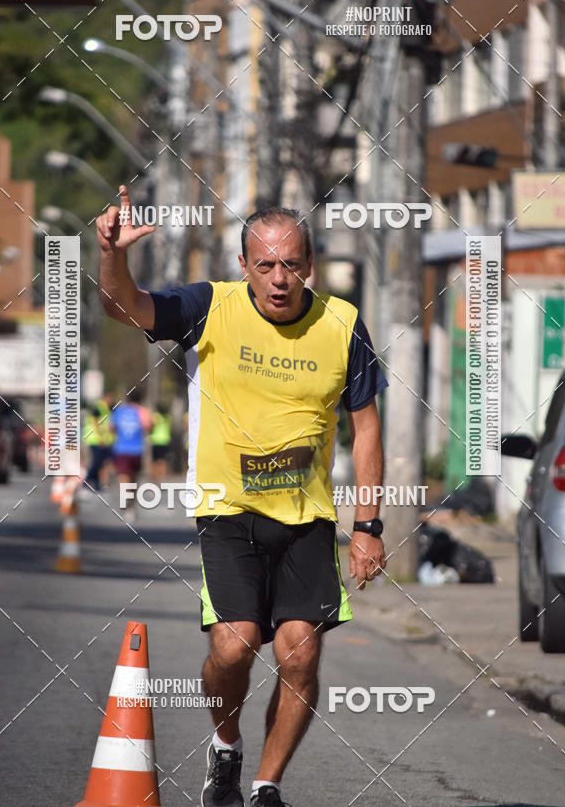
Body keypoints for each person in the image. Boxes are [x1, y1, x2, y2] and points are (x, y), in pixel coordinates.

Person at [97, 186, 388, 807]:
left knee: (300, 654)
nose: (279, 279)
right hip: (227, 510)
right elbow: (126, 307)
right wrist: (113, 256)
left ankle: (265, 784)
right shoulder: (210, 308)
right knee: (234, 644)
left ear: (309, 265)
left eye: (291, 265)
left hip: (307, 516)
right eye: (265, 265)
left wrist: (369, 524)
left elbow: (366, 426)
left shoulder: (342, 324)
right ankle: (225, 747)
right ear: (243, 266)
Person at [150, 403, 171, 481]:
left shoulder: (156, 416)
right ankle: (162, 478)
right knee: (163, 461)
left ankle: (155, 479)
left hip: (156, 440)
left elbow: (150, 426)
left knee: (155, 462)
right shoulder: (168, 417)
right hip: (165, 440)